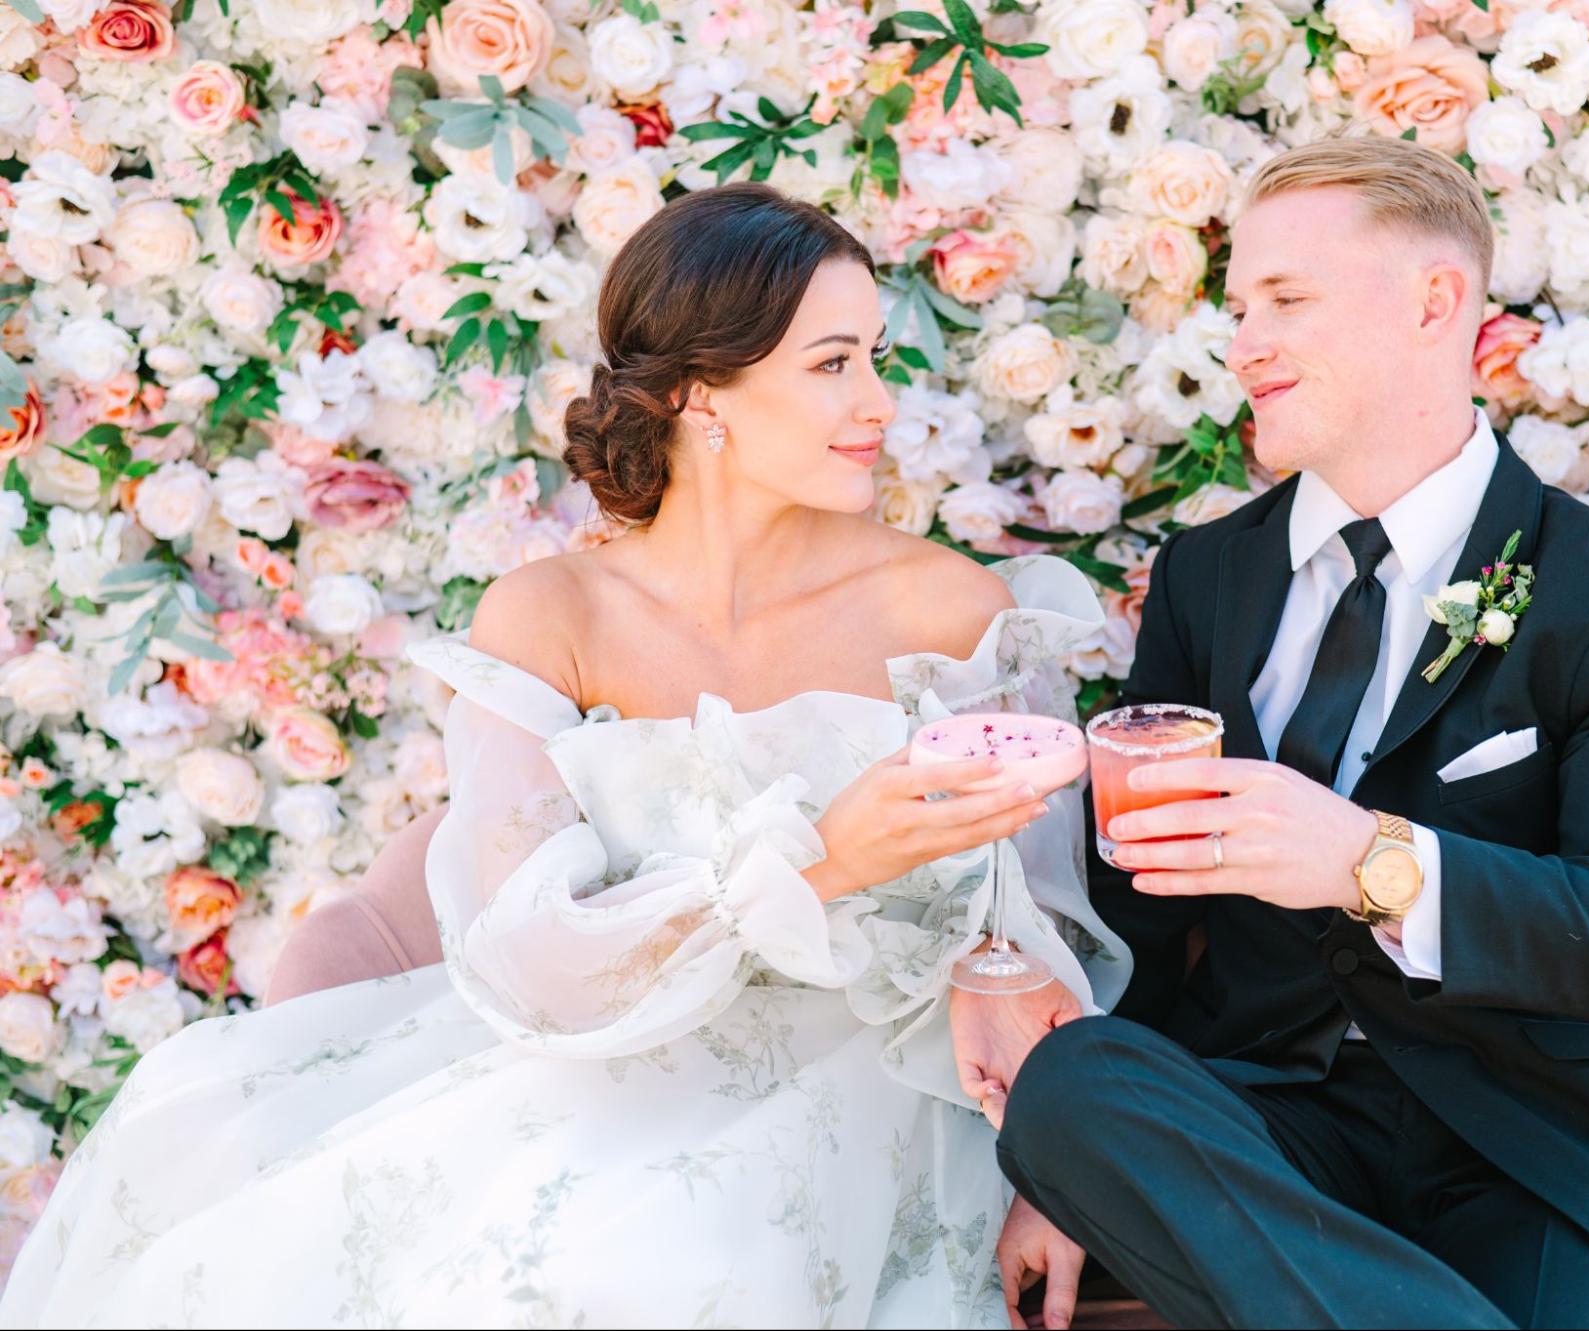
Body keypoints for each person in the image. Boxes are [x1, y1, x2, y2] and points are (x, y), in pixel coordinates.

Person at [0, 182, 1127, 1329]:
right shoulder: (552, 615)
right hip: (589, 1070)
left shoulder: (950, 612)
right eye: (833, 363)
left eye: (874, 357)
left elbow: (1039, 925)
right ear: (698, 393)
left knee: (658, 1271)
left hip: (870, 1089)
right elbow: (529, 955)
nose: (879, 402)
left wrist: (1057, 1172)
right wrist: (819, 859)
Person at [982, 137, 1589, 1330]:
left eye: (1286, 300)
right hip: (1263, 1143)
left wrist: (1366, 860)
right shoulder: (1205, 579)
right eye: (1239, 308)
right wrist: (1070, 1170)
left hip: (1535, 1154)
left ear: (1434, 302)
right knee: (1067, 1085)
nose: (1243, 343)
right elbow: (1136, 916)